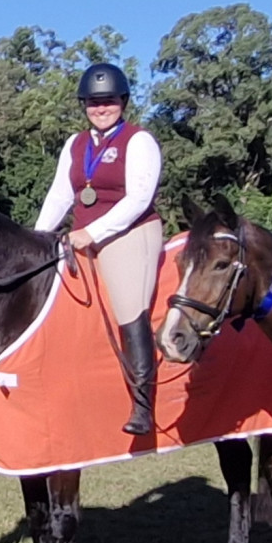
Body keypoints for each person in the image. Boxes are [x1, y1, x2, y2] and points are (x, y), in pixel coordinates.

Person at [34, 62, 166, 435]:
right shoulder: (75, 144)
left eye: (108, 101)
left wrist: (92, 233)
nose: (101, 108)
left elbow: (139, 198)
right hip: (81, 235)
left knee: (128, 306)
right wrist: (39, 236)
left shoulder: (139, 141)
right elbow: (61, 194)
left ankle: (143, 403)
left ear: (122, 101)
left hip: (129, 233)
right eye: (93, 102)